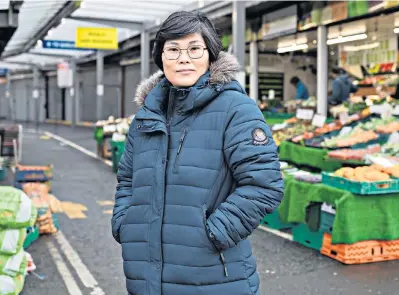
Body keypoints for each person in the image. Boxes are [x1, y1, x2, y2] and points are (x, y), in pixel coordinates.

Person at [111, 11, 284, 295]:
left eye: (194, 48)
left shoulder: (236, 109)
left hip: (214, 277)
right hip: (145, 275)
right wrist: (125, 224)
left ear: (210, 55)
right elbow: (128, 180)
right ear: (161, 58)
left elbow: (264, 185)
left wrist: (212, 233)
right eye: (173, 49)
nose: (183, 58)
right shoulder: (146, 117)